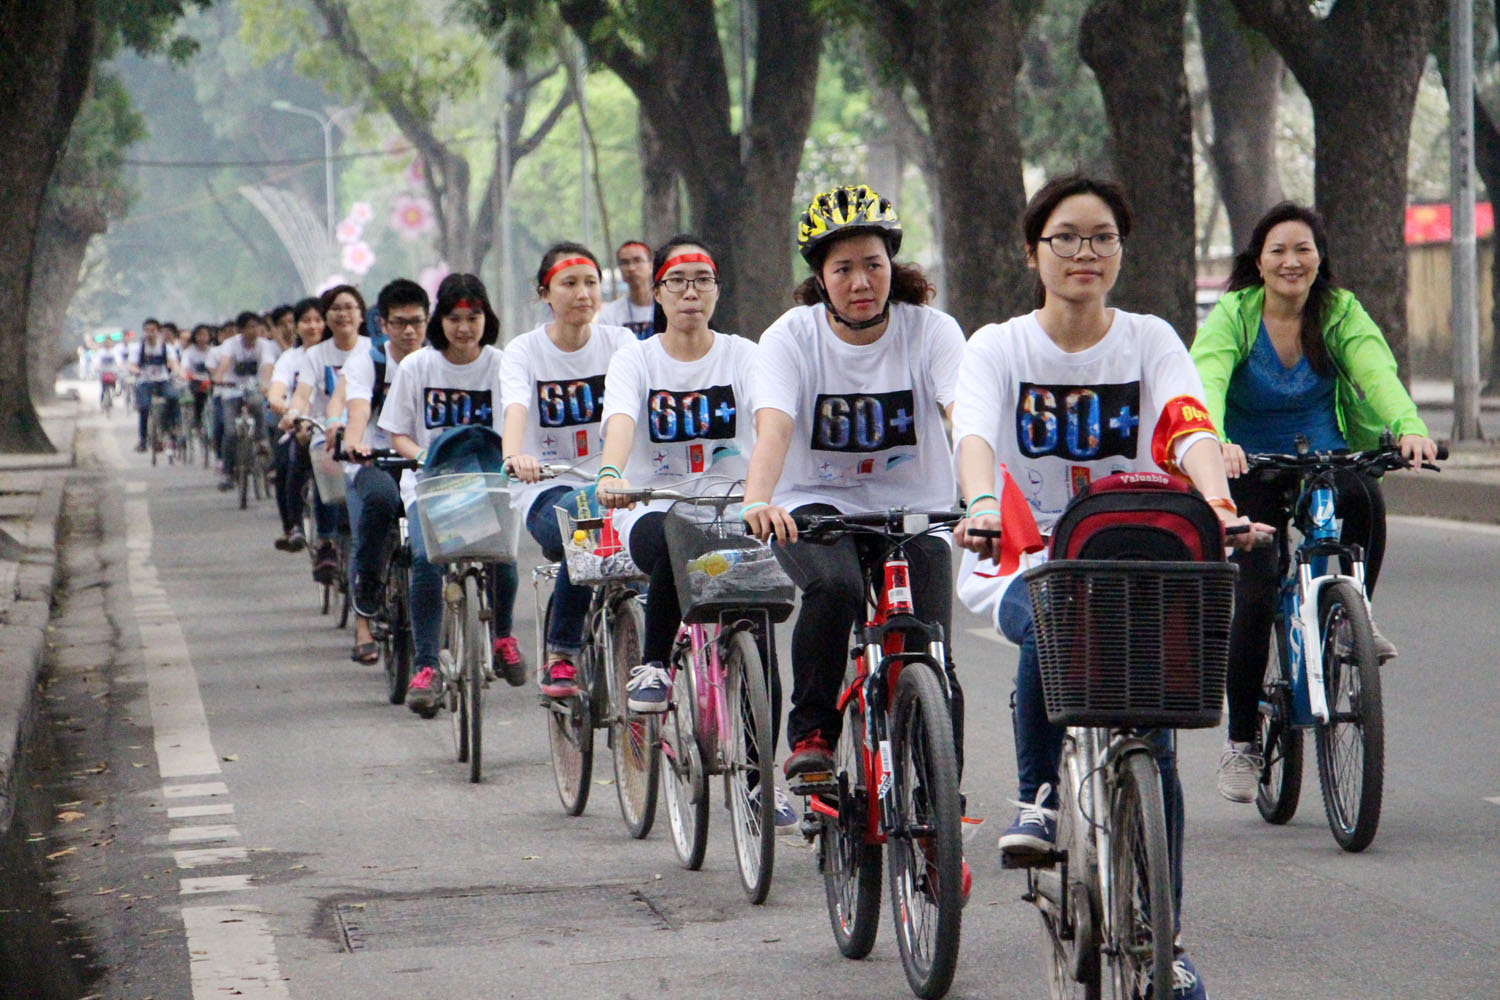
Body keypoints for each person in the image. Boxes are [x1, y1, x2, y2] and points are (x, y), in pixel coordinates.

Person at [952, 175, 1269, 1000]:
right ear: (1034, 253)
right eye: (1066, 237)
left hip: (1136, 551)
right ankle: (1039, 799)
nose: (1084, 252)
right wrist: (981, 504)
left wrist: (1219, 503)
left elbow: (1189, 425)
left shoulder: (1149, 339)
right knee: (1051, 615)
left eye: (1102, 237)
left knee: (1155, 744)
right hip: (1025, 552)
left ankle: (1167, 941)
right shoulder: (998, 347)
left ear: (1121, 250)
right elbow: (975, 432)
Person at [1189, 201, 1438, 804]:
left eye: (1303, 249)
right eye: (1277, 250)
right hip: (1248, 464)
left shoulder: (1339, 311)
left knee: (1366, 499)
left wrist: (1408, 426)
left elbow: (1376, 372)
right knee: (1254, 591)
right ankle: (1242, 742)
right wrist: (1214, 440)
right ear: (1258, 261)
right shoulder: (1235, 315)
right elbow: (1207, 378)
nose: (1291, 261)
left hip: (1324, 454)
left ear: (1319, 258)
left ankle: (1355, 618)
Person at [741, 185, 968, 844]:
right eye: (843, 269)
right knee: (836, 586)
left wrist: (985, 498)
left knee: (930, 650)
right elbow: (774, 427)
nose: (861, 282)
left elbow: (965, 418)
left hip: (915, 510)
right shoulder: (791, 337)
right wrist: (758, 499)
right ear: (820, 278)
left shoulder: (932, 331)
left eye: (873, 264)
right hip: (813, 505)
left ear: (893, 265)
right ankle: (812, 735)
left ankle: (940, 799)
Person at [594, 237, 759, 715]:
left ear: (717, 291)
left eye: (703, 280)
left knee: (757, 629)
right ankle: (654, 664)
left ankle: (760, 758)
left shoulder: (743, 355)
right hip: (652, 505)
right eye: (678, 281)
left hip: (733, 507)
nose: (691, 292)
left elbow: (771, 420)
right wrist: (611, 473)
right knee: (674, 536)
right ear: (658, 291)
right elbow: (621, 420)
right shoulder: (636, 359)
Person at [501, 243, 635, 697]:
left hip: (617, 485)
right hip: (546, 490)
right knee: (585, 515)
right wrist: (514, 455)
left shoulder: (621, 344)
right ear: (545, 293)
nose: (583, 293)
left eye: (591, 283)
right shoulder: (523, 351)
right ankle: (562, 652)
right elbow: (515, 406)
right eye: (570, 283)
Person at [378, 273, 506, 716]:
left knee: (504, 556)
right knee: (424, 560)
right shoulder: (418, 366)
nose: (464, 327)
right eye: (454, 318)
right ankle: (427, 665)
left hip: (486, 481)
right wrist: (422, 457)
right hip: (430, 485)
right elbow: (398, 433)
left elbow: (516, 426)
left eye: (474, 317)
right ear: (441, 321)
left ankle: (504, 638)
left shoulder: (502, 365)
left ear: (487, 318)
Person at [342, 278, 430, 666]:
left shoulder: (436, 361)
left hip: (424, 462)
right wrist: (355, 442)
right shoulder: (367, 362)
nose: (409, 331)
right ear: (383, 324)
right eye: (400, 322)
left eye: (417, 321)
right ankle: (368, 595)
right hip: (375, 460)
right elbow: (359, 409)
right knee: (380, 502)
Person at [288, 285, 370, 584]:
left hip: (368, 431)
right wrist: (295, 415)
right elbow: (302, 394)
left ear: (361, 315)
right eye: (336, 308)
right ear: (326, 317)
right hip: (327, 430)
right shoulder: (316, 355)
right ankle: (326, 541)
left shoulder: (372, 351)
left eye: (349, 307)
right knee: (324, 460)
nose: (343, 314)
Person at [268, 299, 327, 551]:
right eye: (306, 320)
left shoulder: (337, 354)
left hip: (334, 426)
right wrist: (284, 409)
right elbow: (277, 391)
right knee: (287, 464)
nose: (312, 326)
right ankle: (293, 526)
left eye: (318, 320)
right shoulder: (290, 359)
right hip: (299, 424)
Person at [212, 311, 278, 492]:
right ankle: (227, 472)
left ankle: (263, 446)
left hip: (254, 389)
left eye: (256, 326)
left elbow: (267, 365)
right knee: (231, 432)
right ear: (240, 330)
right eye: (249, 327)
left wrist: (265, 383)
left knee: (258, 408)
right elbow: (225, 363)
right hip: (231, 391)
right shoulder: (230, 345)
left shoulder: (264, 345)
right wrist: (219, 377)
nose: (254, 330)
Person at [126, 317, 180, 452]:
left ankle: (172, 428)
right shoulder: (138, 348)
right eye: (147, 330)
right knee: (144, 407)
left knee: (173, 397)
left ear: (158, 332)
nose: (150, 333)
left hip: (163, 380)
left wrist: (176, 371)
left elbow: (174, 363)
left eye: (153, 330)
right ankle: (143, 440)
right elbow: (131, 364)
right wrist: (137, 371)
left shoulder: (166, 347)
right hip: (144, 381)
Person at [596, 239, 655, 339]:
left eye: (637, 260)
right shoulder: (609, 314)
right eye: (624, 263)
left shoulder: (668, 308)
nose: (631, 268)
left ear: (651, 265)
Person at [179, 324, 216, 437]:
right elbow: (184, 367)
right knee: (198, 399)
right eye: (199, 335)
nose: (202, 338)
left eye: (204, 335)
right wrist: (186, 375)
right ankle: (197, 423)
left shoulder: (213, 351)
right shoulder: (189, 352)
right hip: (195, 381)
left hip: (212, 381)